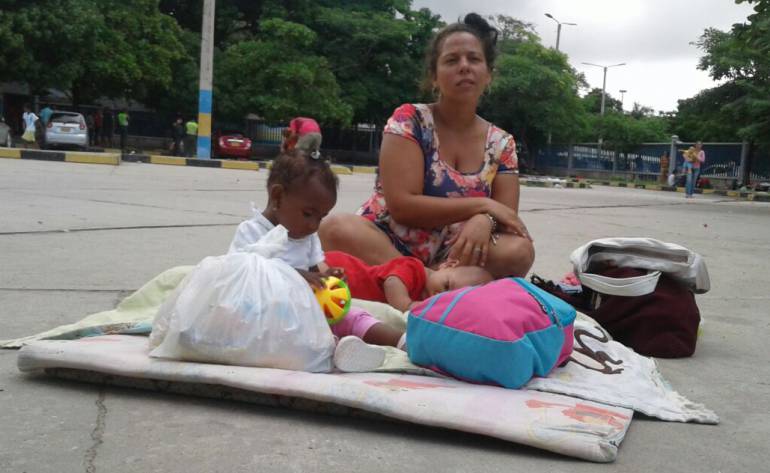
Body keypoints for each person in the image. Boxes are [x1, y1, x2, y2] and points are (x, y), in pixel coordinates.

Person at [319, 13, 534, 278]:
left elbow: (506, 218)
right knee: (335, 228)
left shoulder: (502, 143)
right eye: (452, 60)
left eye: (474, 59)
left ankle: (423, 284)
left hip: (453, 256)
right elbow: (402, 206)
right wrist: (482, 206)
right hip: (386, 245)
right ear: (434, 77)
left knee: (519, 251)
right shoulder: (410, 120)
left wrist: (485, 219)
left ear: (488, 74)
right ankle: (428, 282)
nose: (464, 66)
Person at [228, 150, 407, 372]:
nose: (314, 225)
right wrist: (303, 277)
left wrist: (328, 278)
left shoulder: (307, 236)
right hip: (269, 313)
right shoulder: (252, 232)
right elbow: (247, 275)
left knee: (349, 313)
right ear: (277, 197)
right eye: (308, 213)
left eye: (321, 217)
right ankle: (338, 349)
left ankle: (403, 341)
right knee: (307, 335)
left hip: (308, 307)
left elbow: (314, 271)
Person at [324, 250, 493, 312]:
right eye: (446, 286)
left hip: (341, 299)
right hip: (340, 270)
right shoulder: (414, 267)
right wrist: (406, 306)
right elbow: (392, 282)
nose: (438, 296)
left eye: (447, 300)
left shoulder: (427, 301)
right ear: (448, 265)